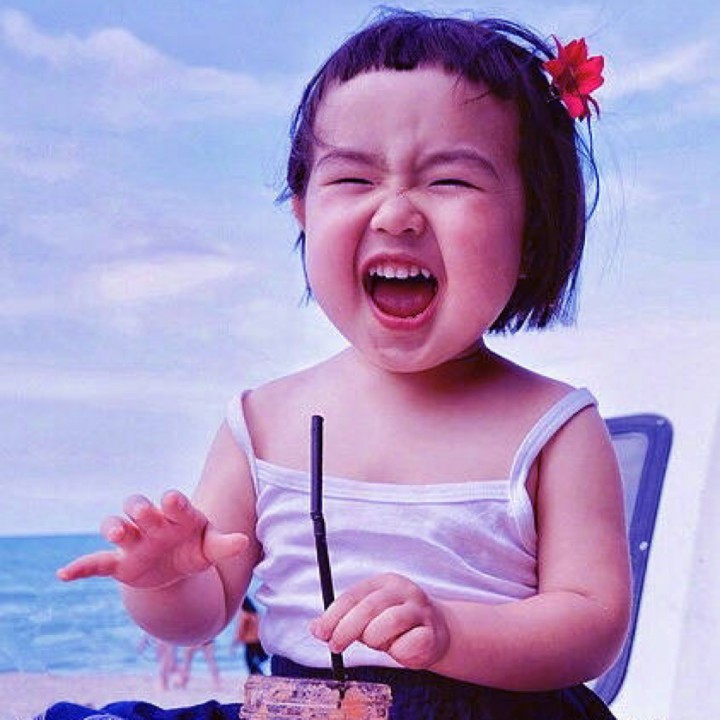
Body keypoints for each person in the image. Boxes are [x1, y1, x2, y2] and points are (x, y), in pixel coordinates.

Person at [50, 8, 630, 720]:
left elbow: (591, 625)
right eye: (354, 179)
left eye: (450, 181)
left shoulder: (554, 426)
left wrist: (451, 632)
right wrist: (163, 582)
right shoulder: (263, 421)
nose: (395, 214)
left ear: (533, 227)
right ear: (302, 209)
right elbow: (201, 613)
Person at [231, 596, 269, 676]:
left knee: (250, 663)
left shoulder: (244, 615)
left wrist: (234, 643)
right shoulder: (255, 614)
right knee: (257, 661)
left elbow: (240, 630)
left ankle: (258, 677)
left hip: (251, 642)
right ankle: (261, 676)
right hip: (259, 641)